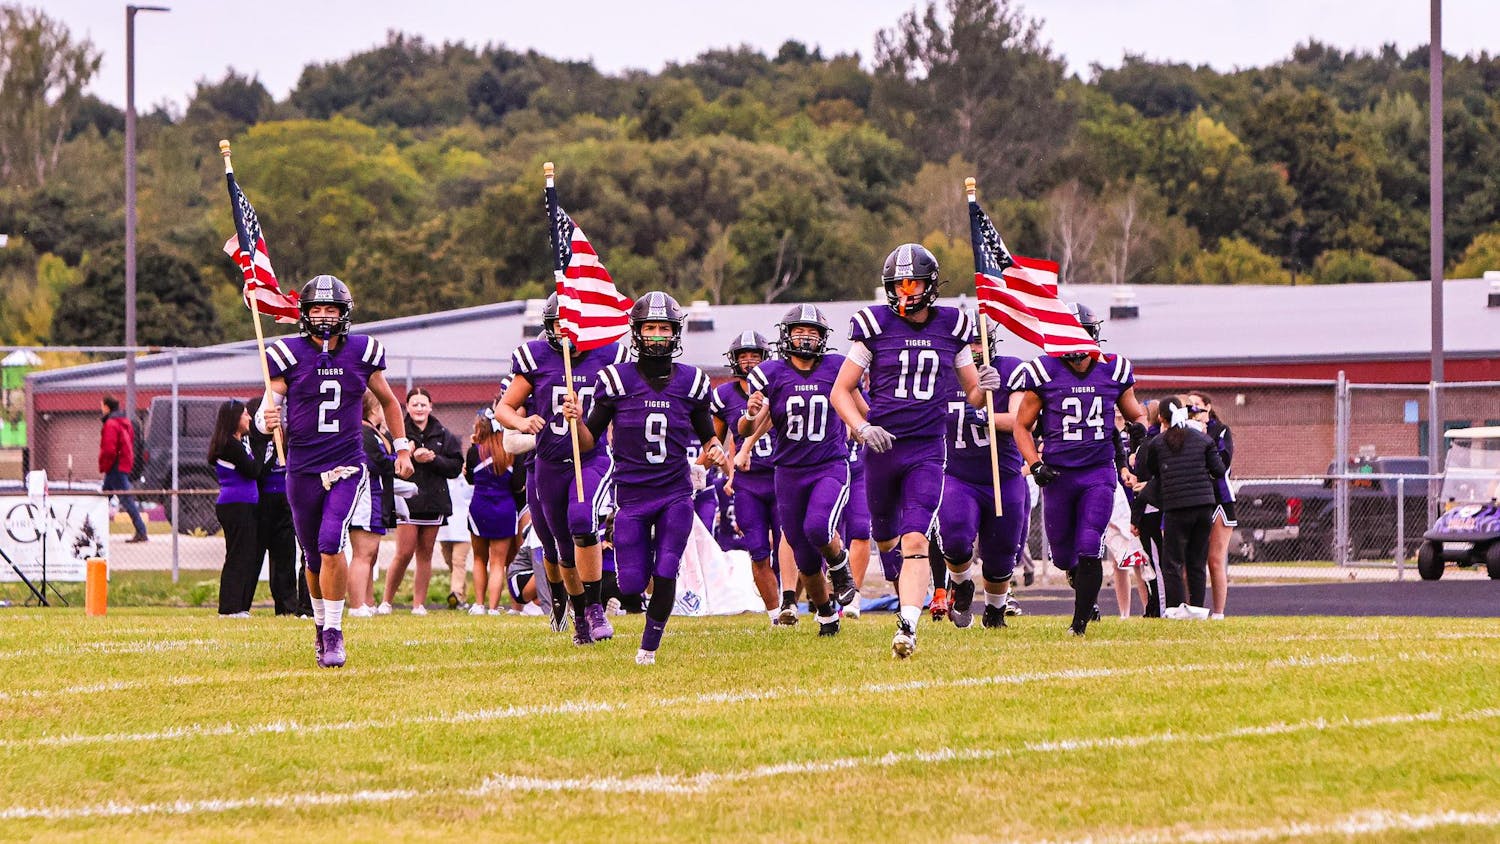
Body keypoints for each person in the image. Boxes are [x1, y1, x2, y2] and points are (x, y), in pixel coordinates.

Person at [830, 244, 1002, 658]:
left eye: (912, 284)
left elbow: (972, 394)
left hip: (926, 449)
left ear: (930, 285)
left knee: (916, 541)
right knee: (886, 539)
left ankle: (907, 626)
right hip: (883, 448)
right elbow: (841, 390)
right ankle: (906, 593)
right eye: (898, 284)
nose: (905, 292)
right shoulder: (874, 324)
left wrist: (984, 386)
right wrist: (862, 427)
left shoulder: (953, 326)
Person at [561, 291, 728, 665]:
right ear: (636, 332)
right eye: (650, 327)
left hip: (674, 493)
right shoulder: (615, 380)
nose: (656, 335)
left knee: (667, 568)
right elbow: (588, 440)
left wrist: (717, 449)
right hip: (632, 495)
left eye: (663, 328)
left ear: (675, 332)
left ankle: (648, 648)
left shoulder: (692, 382)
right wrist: (577, 420)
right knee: (633, 582)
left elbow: (709, 435)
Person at [257, 274, 413, 668]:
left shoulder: (363, 351)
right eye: (317, 309)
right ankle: (320, 624)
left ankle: (334, 632)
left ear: (344, 313)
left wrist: (401, 447)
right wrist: (264, 419)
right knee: (312, 556)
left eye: (331, 309)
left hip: (346, 464)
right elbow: (266, 410)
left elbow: (390, 402)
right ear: (305, 314)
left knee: (331, 543)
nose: (324, 316)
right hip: (302, 468)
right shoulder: (288, 353)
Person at [496, 293, 628, 645]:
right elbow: (504, 408)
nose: (567, 331)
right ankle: (579, 616)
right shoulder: (536, 357)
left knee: (583, 521)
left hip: (591, 458)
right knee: (562, 550)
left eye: (573, 323)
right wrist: (522, 424)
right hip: (548, 462)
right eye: (559, 324)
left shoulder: (609, 356)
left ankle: (595, 609)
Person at [1010, 302, 1148, 637]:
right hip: (1059, 475)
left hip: (1098, 473)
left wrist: (1139, 429)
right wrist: (1035, 463)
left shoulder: (1113, 369)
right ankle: (1079, 584)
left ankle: (1079, 623)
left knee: (1089, 545)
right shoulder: (1044, 371)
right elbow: (1021, 426)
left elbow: (1137, 414)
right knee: (1062, 555)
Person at [740, 304, 857, 637]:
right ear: (786, 335)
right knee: (804, 559)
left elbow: (860, 406)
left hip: (828, 464)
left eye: (812, 332)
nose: (805, 338)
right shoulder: (770, 373)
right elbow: (747, 428)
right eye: (799, 331)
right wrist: (749, 415)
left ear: (823, 337)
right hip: (788, 472)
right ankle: (826, 616)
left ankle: (840, 566)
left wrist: (864, 426)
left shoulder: (837, 366)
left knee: (818, 526)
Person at [935, 326, 1028, 630]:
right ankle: (961, 584)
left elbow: (1019, 419)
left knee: (1002, 552)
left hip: (1003, 475)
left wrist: (987, 417)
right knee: (955, 537)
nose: (974, 349)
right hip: (959, 474)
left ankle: (995, 611)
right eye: (968, 343)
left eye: (979, 343)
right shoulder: (941, 373)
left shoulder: (1011, 369)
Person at [711, 330, 781, 622]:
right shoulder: (724, 395)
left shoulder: (779, 386)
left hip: (782, 476)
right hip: (748, 483)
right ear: (734, 360)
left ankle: (793, 601)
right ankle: (776, 616)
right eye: (744, 356)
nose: (750, 362)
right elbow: (714, 442)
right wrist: (709, 469)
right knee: (758, 551)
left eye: (755, 356)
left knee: (793, 545)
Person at [1134, 396, 1226, 616]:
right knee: (1197, 562)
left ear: (1160, 418)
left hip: (1176, 508)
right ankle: (1197, 609)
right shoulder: (1203, 439)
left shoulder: (1158, 443)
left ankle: (1175, 610)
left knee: (1173, 563)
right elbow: (1219, 470)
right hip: (1203, 506)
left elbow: (1154, 471)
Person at [379, 387, 462, 615]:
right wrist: (409, 456)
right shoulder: (398, 432)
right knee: (404, 552)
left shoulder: (442, 433)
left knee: (425, 553)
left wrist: (433, 459)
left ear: (430, 407)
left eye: (423, 404)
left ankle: (419, 604)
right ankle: (386, 602)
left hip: (434, 502)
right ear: (407, 407)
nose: (419, 408)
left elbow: (455, 466)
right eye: (414, 404)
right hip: (406, 501)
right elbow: (386, 464)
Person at [247, 396, 305, 616]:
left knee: (285, 556)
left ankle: (287, 606)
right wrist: (268, 443)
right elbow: (257, 469)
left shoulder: (287, 438)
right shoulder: (255, 442)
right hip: (262, 502)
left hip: (285, 501)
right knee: (254, 555)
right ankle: (242, 604)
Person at [209, 399, 261, 617]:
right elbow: (253, 470)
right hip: (236, 505)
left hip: (244, 503)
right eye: (245, 414)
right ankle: (230, 608)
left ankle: (238, 606)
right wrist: (261, 444)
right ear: (234, 419)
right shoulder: (230, 446)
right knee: (237, 556)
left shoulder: (239, 443)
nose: (249, 418)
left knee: (245, 554)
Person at [466, 405, 518, 615]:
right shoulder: (510, 453)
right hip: (505, 508)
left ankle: (479, 604)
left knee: (479, 559)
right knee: (498, 563)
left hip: (480, 508)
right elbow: (518, 484)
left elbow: (470, 478)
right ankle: (494, 608)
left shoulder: (474, 451)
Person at [347, 390, 395, 618]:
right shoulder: (364, 431)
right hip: (366, 498)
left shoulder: (374, 431)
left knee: (370, 554)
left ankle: (366, 601)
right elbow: (378, 462)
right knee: (362, 554)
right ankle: (356, 605)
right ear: (374, 408)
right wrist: (399, 458)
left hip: (375, 497)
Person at [1188, 391, 1235, 620]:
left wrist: (1204, 438)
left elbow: (1222, 464)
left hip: (1219, 499)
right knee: (1191, 560)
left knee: (1215, 560)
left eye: (1197, 406)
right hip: (1195, 498)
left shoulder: (1220, 430)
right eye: (1189, 407)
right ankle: (1190, 609)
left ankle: (1218, 613)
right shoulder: (1184, 432)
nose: (1193, 411)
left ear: (1207, 407)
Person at [98, 394, 148, 543]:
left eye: (102, 405)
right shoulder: (124, 422)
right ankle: (93, 526)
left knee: (125, 499)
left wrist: (105, 464)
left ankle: (141, 531)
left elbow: (109, 448)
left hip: (115, 466)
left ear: (107, 407)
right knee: (105, 498)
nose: (101, 408)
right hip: (121, 464)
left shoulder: (111, 424)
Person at [438, 470, 474, 609]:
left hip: (463, 526)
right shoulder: (444, 474)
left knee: (458, 560)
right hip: (445, 527)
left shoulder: (468, 477)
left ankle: (456, 593)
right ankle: (461, 595)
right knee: (449, 561)